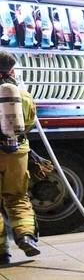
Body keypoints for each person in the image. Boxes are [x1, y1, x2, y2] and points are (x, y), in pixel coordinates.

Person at [0, 51, 42, 263]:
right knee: (17, 197)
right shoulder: (22, 95)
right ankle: (25, 236)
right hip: (17, 153)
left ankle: (1, 252)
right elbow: (29, 124)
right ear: (12, 71)